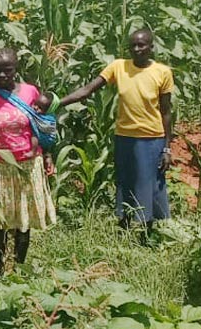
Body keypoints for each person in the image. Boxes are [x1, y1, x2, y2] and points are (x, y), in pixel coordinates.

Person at [58, 28, 175, 241]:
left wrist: (167, 147)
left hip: (152, 139)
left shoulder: (162, 72)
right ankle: (124, 232)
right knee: (126, 183)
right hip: (124, 138)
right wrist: (57, 102)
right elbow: (87, 90)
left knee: (149, 185)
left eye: (142, 45)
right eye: (133, 45)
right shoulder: (119, 67)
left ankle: (147, 237)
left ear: (151, 47)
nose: (137, 49)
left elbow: (166, 112)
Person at [0, 46, 57, 274]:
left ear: (15, 69)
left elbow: (42, 126)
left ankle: (19, 268)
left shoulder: (30, 92)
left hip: (28, 164)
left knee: (23, 220)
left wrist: (48, 156)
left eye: (7, 70)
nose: (1, 76)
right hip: (1, 165)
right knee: (0, 220)